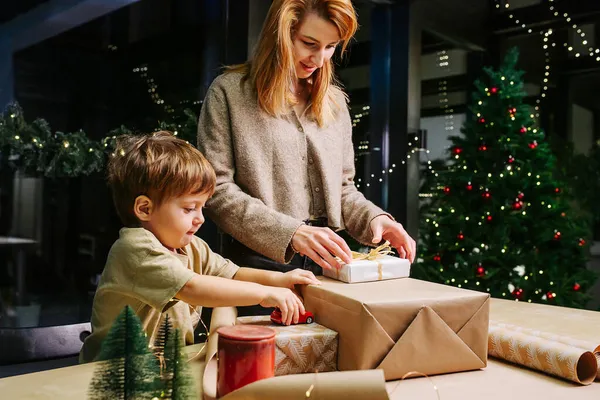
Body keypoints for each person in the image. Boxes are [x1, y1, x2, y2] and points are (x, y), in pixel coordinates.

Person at [197, 0, 416, 287]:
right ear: (281, 33)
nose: (320, 58)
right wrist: (292, 233)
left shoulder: (335, 103)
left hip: (331, 265)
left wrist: (375, 219)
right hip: (256, 268)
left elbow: (342, 189)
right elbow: (217, 190)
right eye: (309, 43)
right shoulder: (229, 93)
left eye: (331, 46)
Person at [79, 131, 320, 363]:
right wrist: (265, 294)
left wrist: (279, 280)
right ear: (144, 209)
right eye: (188, 208)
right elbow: (191, 287)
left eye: (202, 207)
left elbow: (233, 273)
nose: (200, 218)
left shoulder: (192, 246)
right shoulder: (134, 248)